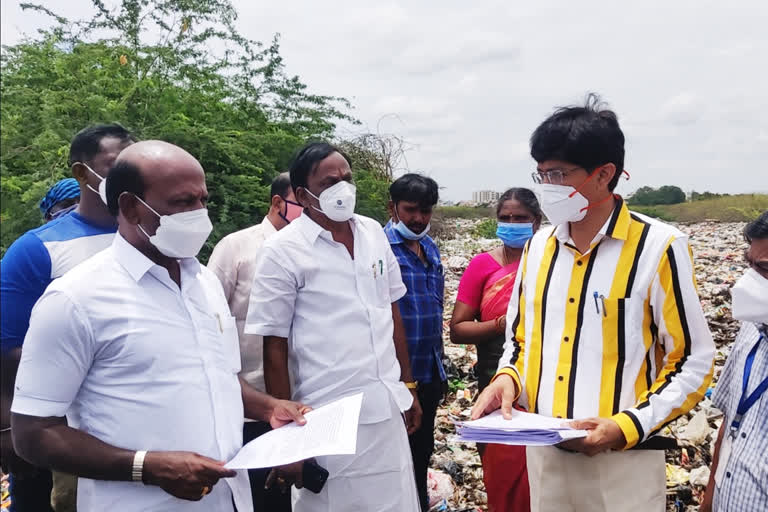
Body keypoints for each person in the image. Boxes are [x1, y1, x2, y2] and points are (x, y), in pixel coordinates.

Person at [9, 141, 310, 512]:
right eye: (182, 203)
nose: (199, 214)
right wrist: (144, 467)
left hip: (228, 500)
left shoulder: (204, 283)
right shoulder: (76, 299)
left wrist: (268, 408)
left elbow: (218, 377)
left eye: (202, 200)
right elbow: (34, 433)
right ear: (130, 207)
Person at [471, 95, 715, 512]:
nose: (545, 186)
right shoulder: (538, 248)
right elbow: (519, 339)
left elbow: (693, 360)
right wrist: (507, 379)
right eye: (541, 173)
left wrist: (625, 426)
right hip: (546, 455)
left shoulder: (659, 248)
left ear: (604, 174)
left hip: (622, 465)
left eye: (558, 174)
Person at [245, 142, 422, 512]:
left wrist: (408, 385)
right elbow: (274, 345)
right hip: (326, 417)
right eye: (329, 183)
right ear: (301, 195)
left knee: (396, 500)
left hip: (386, 406)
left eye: (347, 179)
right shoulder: (282, 251)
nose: (342, 189)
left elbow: (392, 312)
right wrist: (289, 439)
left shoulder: (373, 232)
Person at [1, 123, 135, 512]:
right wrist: (8, 429)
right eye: (115, 168)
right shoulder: (37, 249)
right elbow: (5, 347)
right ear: (82, 174)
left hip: (141, 426)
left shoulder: (155, 240)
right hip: (60, 430)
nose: (127, 179)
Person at [207, 171, 302, 511]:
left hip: (302, 402)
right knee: (261, 498)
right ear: (279, 203)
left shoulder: (313, 250)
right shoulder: (237, 249)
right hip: (250, 405)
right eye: (301, 202)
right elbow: (209, 319)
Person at [450, 187, 542, 512]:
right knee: (502, 479)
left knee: (545, 479)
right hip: (494, 380)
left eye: (520, 218)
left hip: (547, 387)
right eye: (505, 218)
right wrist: (502, 324)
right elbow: (458, 329)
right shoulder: (482, 266)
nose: (512, 223)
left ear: (537, 221)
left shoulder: (553, 264)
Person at [383, 173, 444, 512]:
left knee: (421, 453)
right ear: (392, 208)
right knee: (395, 457)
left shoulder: (430, 248)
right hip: (396, 376)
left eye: (426, 211)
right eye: (410, 210)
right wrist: (403, 382)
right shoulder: (379, 249)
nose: (419, 219)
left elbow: (434, 307)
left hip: (429, 371)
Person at [701, 211, 768, 512]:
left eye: (764, 268)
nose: (747, 281)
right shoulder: (750, 329)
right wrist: (709, 497)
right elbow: (730, 422)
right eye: (749, 264)